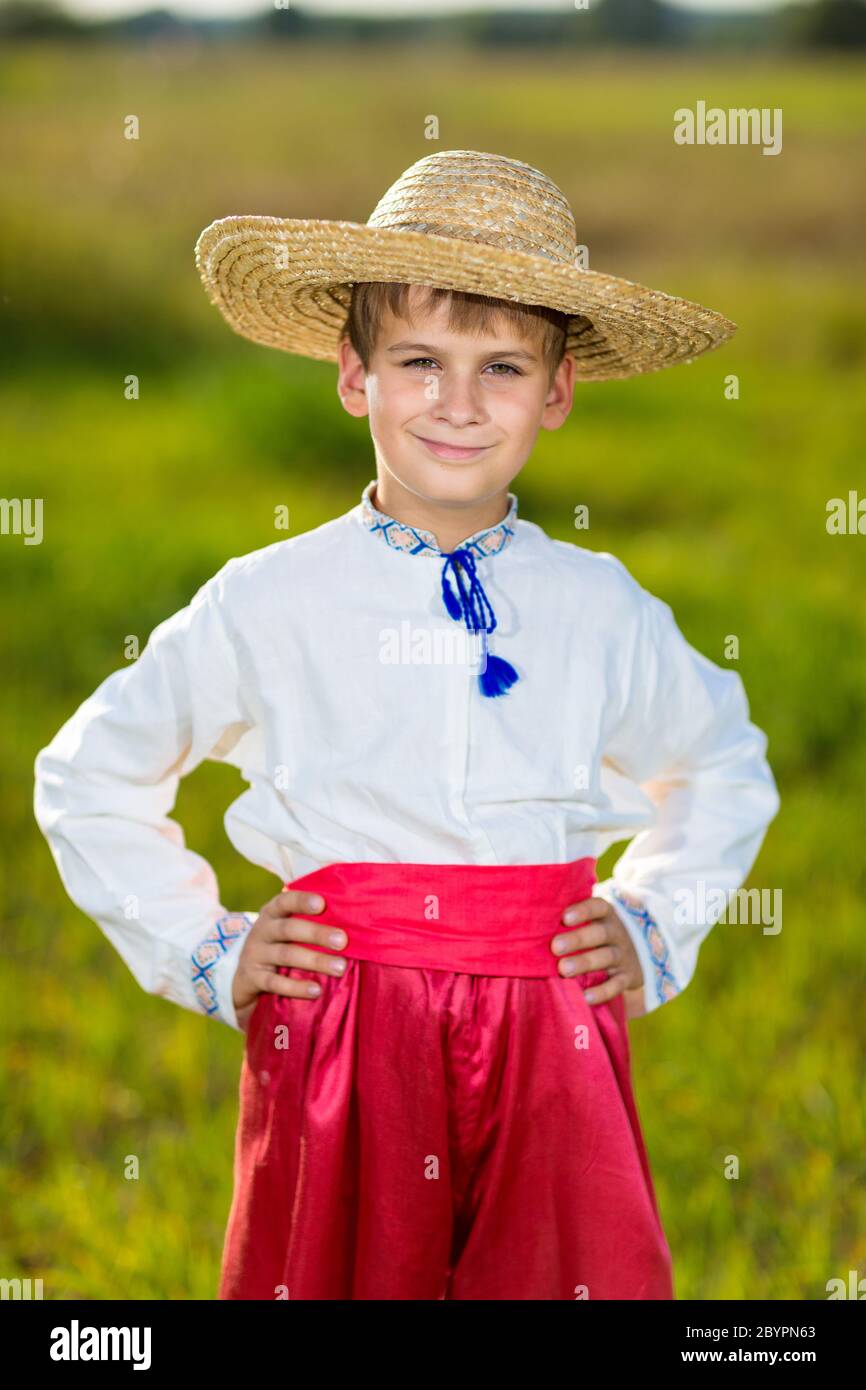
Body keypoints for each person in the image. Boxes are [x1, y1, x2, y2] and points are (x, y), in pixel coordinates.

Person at [34, 149, 780, 1300]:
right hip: (344, 1017)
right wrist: (211, 951)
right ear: (353, 376)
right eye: (420, 362)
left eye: (502, 368)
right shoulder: (268, 598)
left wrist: (650, 919)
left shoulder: (597, 604)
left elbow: (721, 760)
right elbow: (88, 775)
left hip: (552, 1022)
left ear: (557, 391)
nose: (459, 404)